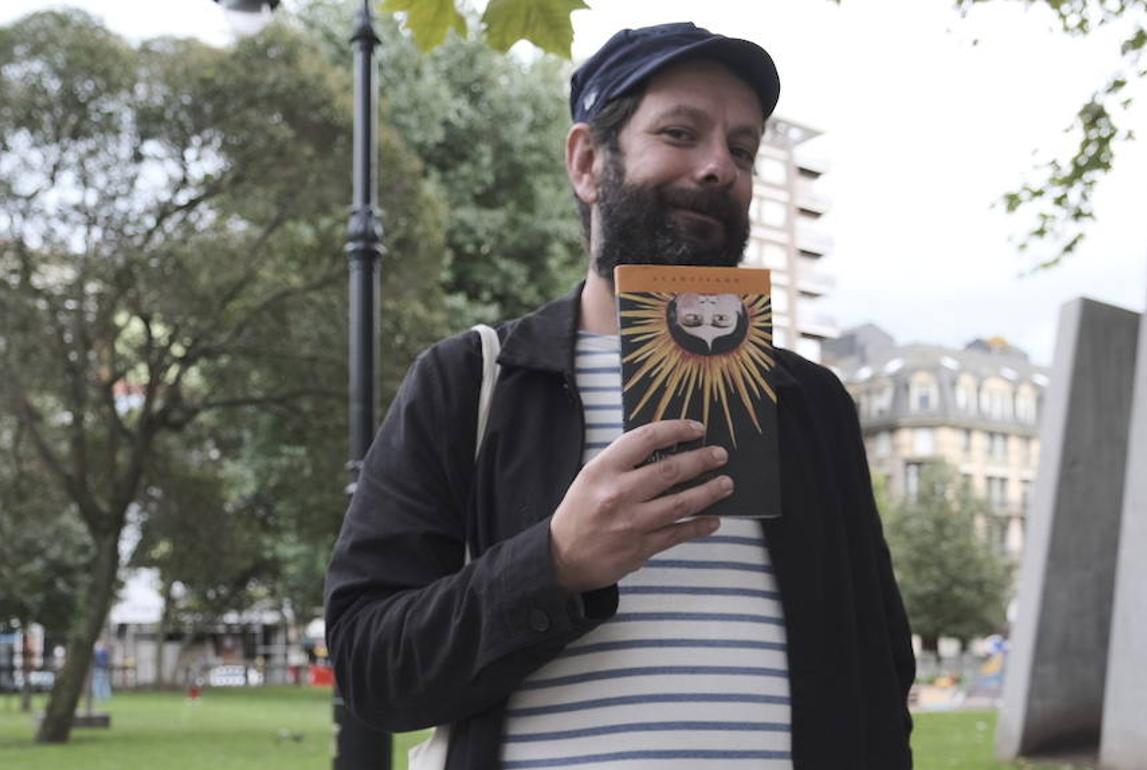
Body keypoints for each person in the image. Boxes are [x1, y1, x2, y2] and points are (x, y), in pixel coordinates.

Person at [325, 22, 914, 769]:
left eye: (741, 149)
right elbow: (370, 666)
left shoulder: (811, 402)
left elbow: (880, 670)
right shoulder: (471, 380)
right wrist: (556, 562)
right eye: (680, 132)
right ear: (586, 162)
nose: (717, 169)